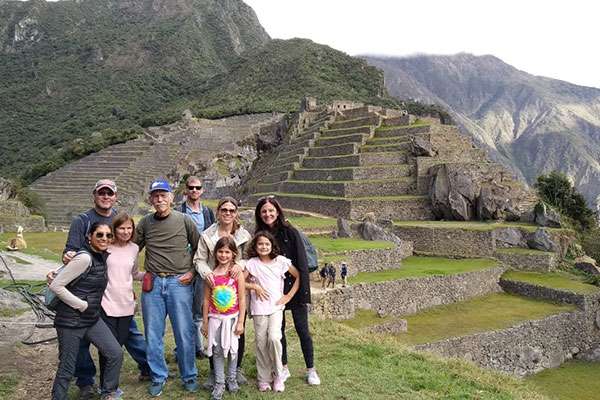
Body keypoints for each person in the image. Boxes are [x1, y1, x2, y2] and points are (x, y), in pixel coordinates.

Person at [59, 179, 150, 399]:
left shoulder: (119, 220)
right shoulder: (83, 220)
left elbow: (127, 259)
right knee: (82, 340)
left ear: (116, 196)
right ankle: (86, 381)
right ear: (95, 195)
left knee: (129, 334)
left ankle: (147, 366)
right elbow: (70, 253)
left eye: (110, 193)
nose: (106, 197)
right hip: (90, 295)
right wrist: (63, 265)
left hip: (117, 296)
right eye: (102, 193)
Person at [135, 178, 201, 397]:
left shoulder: (184, 220)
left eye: (164, 195)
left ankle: (189, 375)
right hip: (152, 284)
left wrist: (192, 272)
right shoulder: (145, 222)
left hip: (179, 283)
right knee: (153, 334)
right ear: (151, 199)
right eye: (156, 195)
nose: (160, 199)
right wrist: (134, 273)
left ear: (172, 198)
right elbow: (131, 248)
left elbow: (200, 250)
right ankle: (158, 376)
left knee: (184, 332)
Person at [49, 223, 123, 400]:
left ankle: (108, 392)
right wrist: (81, 305)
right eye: (100, 235)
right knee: (67, 367)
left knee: (115, 352)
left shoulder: (100, 257)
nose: (104, 238)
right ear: (89, 236)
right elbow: (56, 285)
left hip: (90, 319)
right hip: (71, 321)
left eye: (108, 235)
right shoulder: (85, 258)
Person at [254, 196, 321, 385]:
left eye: (270, 210)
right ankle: (283, 367)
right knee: (278, 330)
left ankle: (311, 369)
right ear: (260, 214)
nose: (268, 214)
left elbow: (300, 262)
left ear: (277, 211)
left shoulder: (290, 232)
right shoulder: (259, 234)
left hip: (294, 288)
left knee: (302, 329)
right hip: (274, 290)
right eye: (264, 211)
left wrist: (295, 294)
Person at [193, 197, 252, 389]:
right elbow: (199, 259)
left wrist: (239, 265)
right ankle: (214, 371)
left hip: (236, 284)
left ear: (236, 213)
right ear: (218, 212)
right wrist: (207, 273)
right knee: (214, 331)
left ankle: (237, 369)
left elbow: (249, 258)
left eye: (231, 210)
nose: (227, 213)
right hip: (214, 283)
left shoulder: (244, 235)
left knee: (237, 327)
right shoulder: (207, 235)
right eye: (224, 210)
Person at [244, 231, 300, 392]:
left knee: (274, 338)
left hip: (276, 307)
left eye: (267, 244)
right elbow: (239, 281)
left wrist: (288, 296)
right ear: (255, 246)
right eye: (260, 244)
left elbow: (298, 276)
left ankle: (278, 374)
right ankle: (264, 378)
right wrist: (254, 286)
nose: (263, 247)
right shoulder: (252, 263)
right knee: (261, 342)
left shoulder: (281, 261)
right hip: (259, 308)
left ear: (272, 245)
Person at [98, 213, 145, 391]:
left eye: (129, 228)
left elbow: (133, 273)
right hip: (106, 303)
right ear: (114, 229)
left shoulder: (134, 248)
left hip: (126, 305)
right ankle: (107, 387)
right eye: (121, 228)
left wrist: (151, 274)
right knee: (108, 348)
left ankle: (110, 384)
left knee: (118, 348)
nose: (125, 231)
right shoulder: (105, 247)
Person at [201, 237, 246, 400]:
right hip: (215, 319)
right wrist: (205, 322)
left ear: (233, 254)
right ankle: (219, 382)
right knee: (218, 351)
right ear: (215, 253)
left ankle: (231, 378)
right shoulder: (210, 276)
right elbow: (206, 300)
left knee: (233, 349)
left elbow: (242, 298)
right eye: (220, 251)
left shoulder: (236, 273)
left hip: (232, 319)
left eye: (227, 252)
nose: (223, 255)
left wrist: (240, 321)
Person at [177, 176, 215, 359]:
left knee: (199, 306)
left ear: (202, 190)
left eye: (197, 187)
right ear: (186, 190)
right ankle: (183, 347)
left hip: (202, 263)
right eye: (191, 188)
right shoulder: (178, 211)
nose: (194, 190)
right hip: (183, 263)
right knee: (182, 307)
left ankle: (198, 347)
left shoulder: (207, 212)